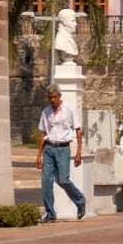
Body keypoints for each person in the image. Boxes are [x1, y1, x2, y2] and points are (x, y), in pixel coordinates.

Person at [37, 86, 86, 221]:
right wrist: (39, 155)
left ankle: (80, 200)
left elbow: (78, 130)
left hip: (63, 149)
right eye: (50, 98)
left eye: (54, 97)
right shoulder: (46, 112)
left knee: (62, 180)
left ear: (59, 96)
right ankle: (50, 213)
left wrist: (78, 153)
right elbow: (43, 134)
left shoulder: (69, 109)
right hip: (48, 148)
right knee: (46, 181)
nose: (52, 100)